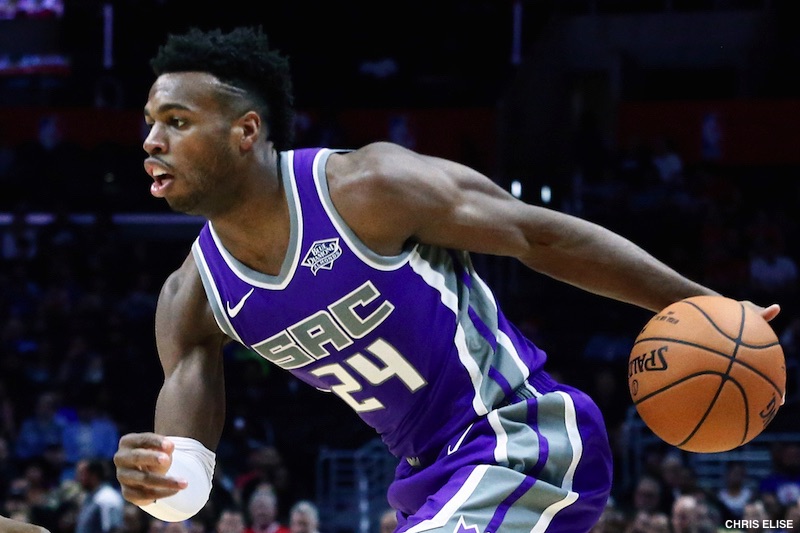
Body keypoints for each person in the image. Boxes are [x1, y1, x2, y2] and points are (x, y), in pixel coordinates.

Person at [111, 26, 780, 533]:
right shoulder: (192, 297)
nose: (151, 141)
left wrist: (707, 305)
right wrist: (161, 484)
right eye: (149, 124)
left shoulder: (366, 189)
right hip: (428, 482)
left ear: (245, 131)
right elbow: (185, 481)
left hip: (519, 439)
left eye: (177, 122)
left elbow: (540, 235)